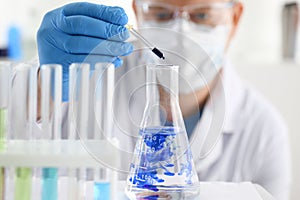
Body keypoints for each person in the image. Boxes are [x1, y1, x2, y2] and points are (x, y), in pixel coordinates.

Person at [36, 0, 291, 199]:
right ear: (137, 11)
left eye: (201, 15)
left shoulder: (264, 131)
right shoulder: (92, 80)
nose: (181, 31)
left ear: (234, 18)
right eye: (161, 13)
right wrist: (43, 87)